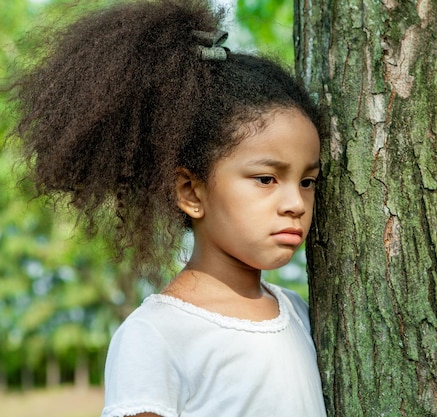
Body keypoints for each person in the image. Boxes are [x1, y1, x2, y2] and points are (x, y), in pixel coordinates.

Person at [10, 0, 327, 415]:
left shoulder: (299, 313)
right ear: (191, 192)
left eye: (307, 182)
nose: (294, 203)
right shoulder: (157, 334)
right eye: (266, 179)